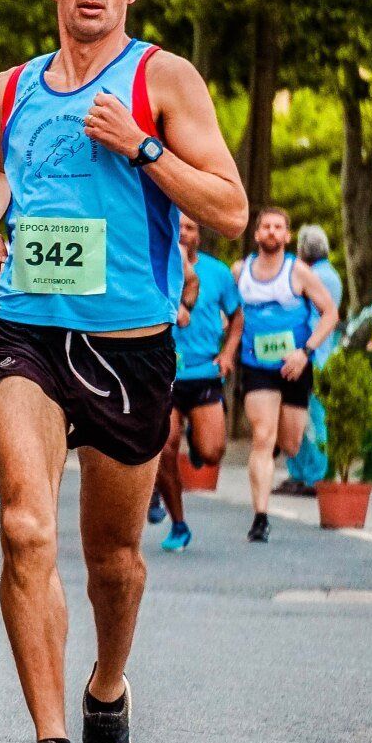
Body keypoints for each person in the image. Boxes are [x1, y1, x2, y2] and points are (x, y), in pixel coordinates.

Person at [0, 0, 249, 743]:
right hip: (28, 335)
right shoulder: (9, 88)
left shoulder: (163, 79)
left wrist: (143, 147)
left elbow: (232, 209)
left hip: (131, 344)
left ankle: (107, 687)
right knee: (22, 527)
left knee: (113, 560)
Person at [232, 208, 339, 543]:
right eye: (266, 226)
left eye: (279, 227)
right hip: (256, 366)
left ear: (288, 236)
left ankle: (276, 444)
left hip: (294, 367)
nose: (272, 232)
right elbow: (228, 311)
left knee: (290, 443)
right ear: (256, 233)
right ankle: (260, 516)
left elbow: (330, 313)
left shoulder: (300, 272)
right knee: (262, 437)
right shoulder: (240, 271)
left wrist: (305, 351)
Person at [151, 214, 240, 552]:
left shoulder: (217, 272)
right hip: (165, 376)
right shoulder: (153, 264)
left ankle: (197, 437)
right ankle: (178, 523)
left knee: (211, 452)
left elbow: (237, 316)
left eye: (191, 227)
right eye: (179, 226)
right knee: (164, 447)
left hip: (203, 372)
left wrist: (228, 354)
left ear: (200, 236)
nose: (184, 232)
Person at [281, 224, 346, 495]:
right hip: (323, 354)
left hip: (309, 355)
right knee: (309, 418)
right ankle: (306, 473)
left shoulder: (308, 276)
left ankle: (310, 475)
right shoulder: (333, 276)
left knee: (309, 418)